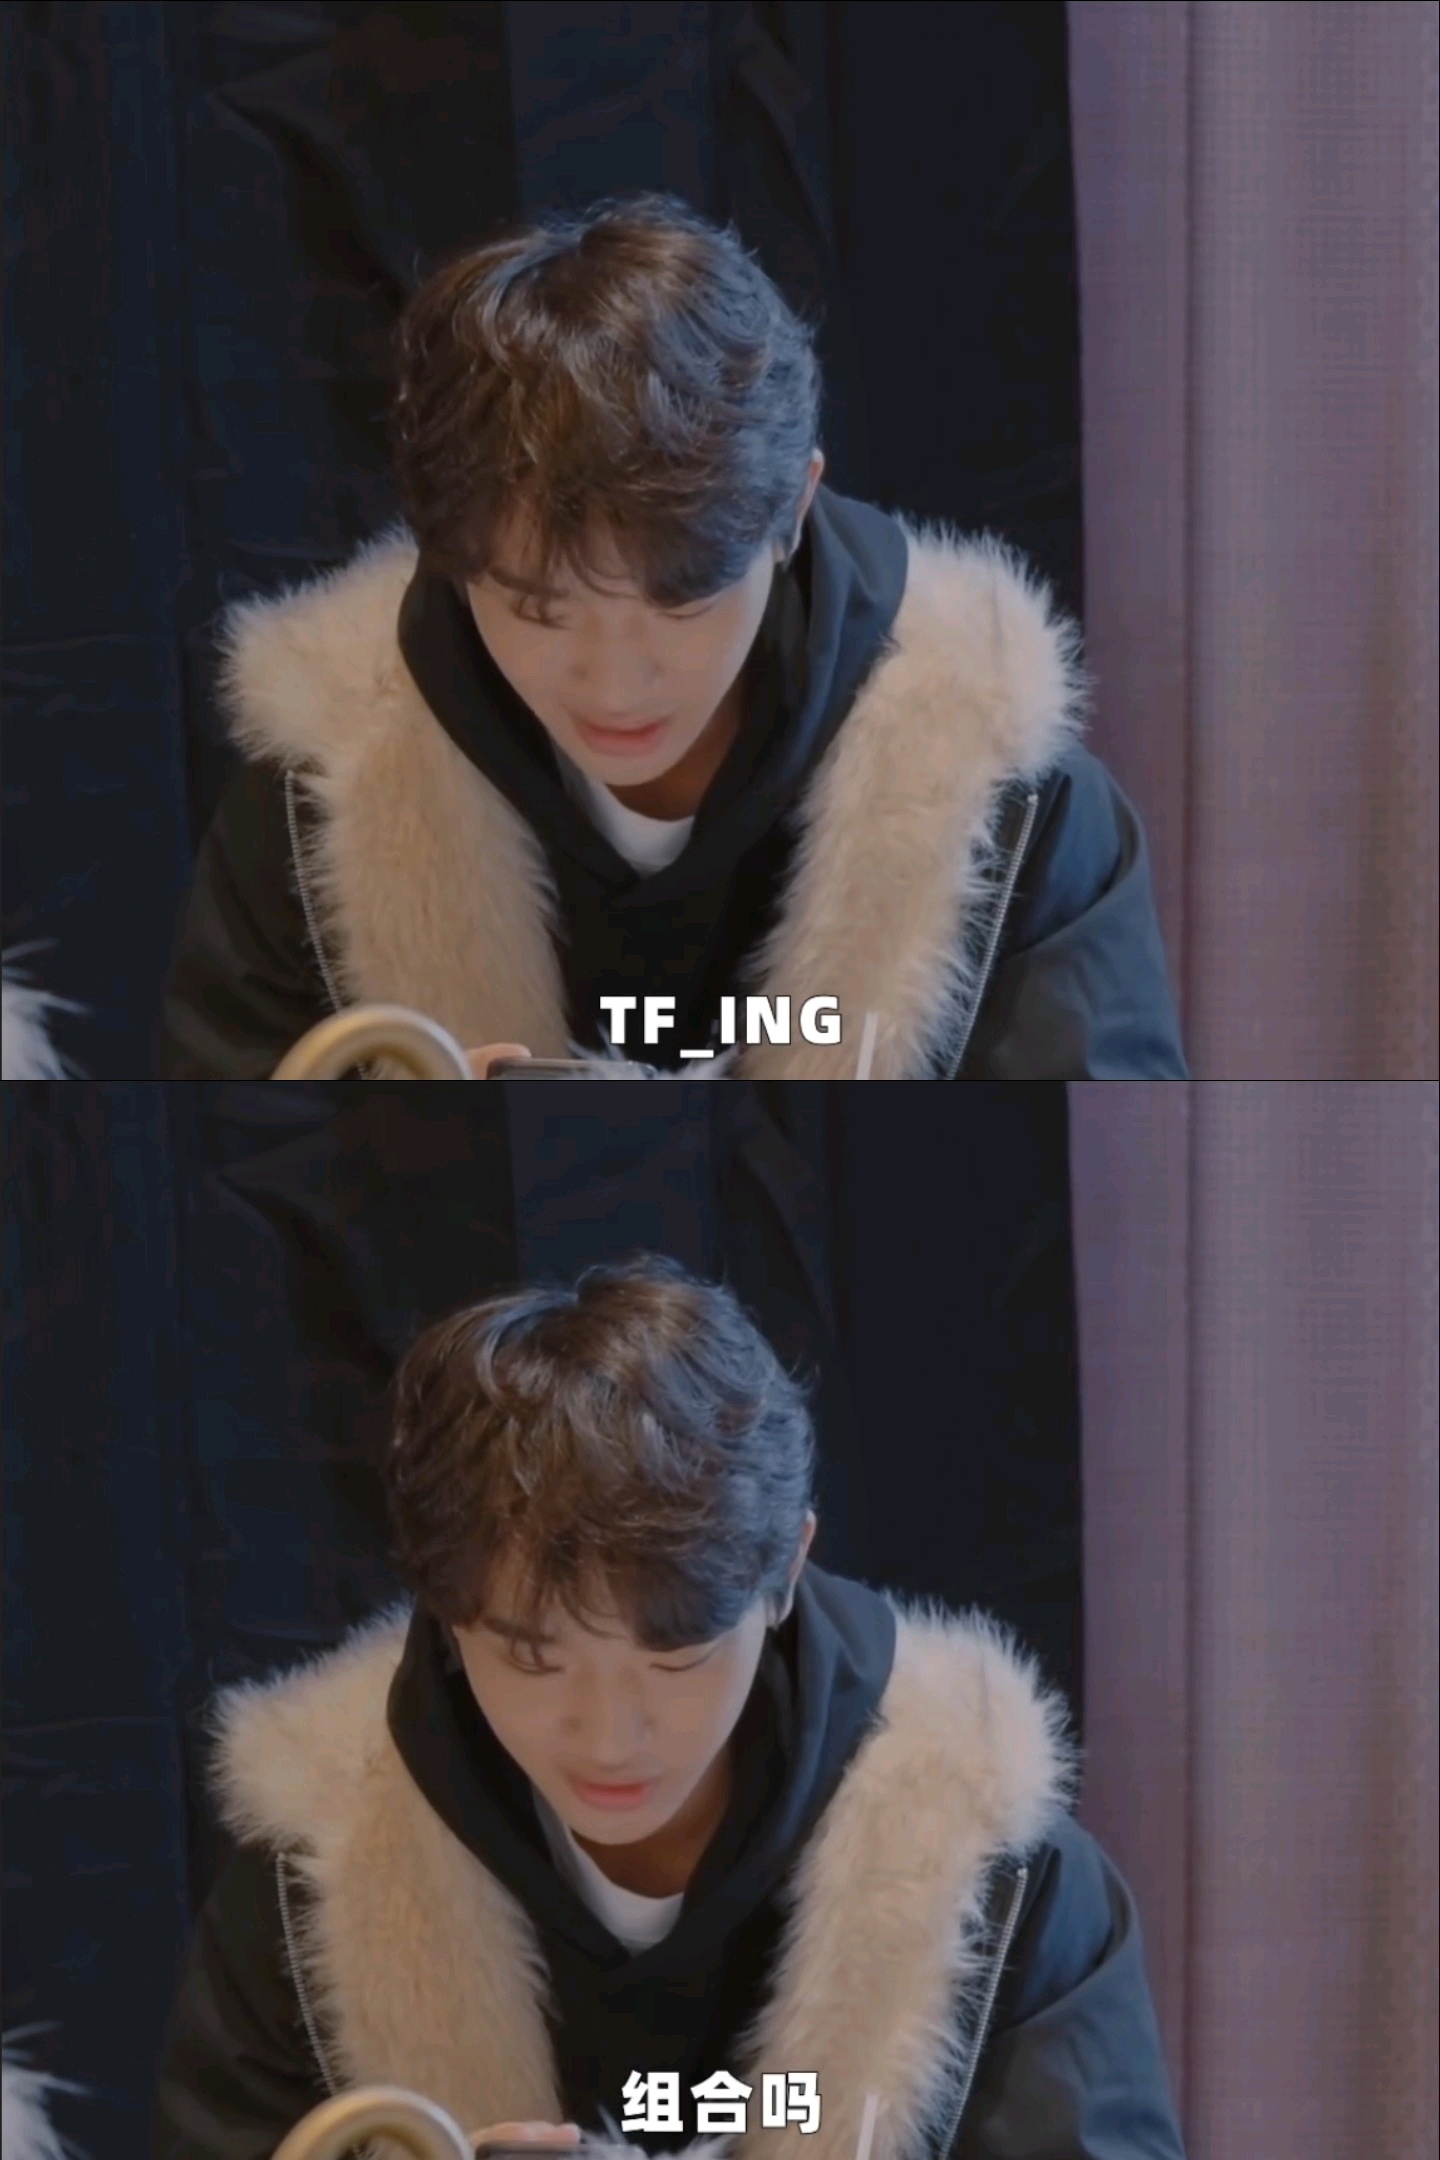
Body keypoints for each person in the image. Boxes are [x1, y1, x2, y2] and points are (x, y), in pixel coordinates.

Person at [153, 1255, 1186, 2160]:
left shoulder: (999, 1885)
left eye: (677, 1659)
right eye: (532, 1661)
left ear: (785, 1573)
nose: (609, 1738)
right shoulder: (310, 1882)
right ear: (444, 1616)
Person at [157, 193, 1186, 1081]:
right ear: (448, 558)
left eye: (682, 606)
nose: (614, 686)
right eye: (539, 611)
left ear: (792, 511)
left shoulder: (1015, 811)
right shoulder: (312, 802)